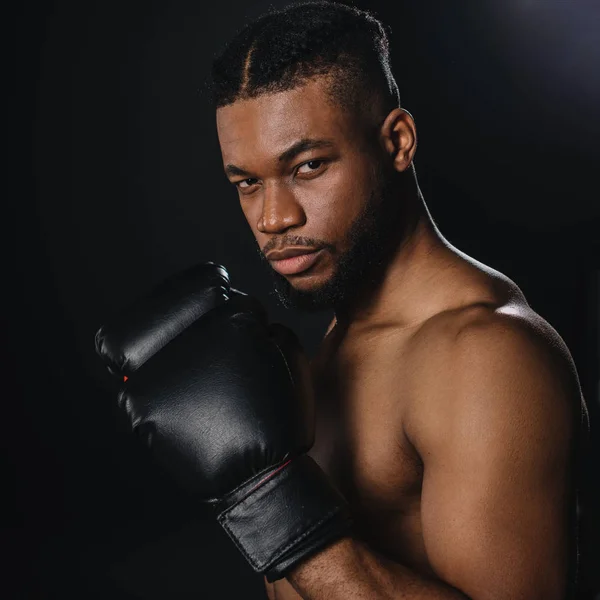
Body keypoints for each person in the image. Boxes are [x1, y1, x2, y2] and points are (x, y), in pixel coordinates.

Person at [96, 2, 589, 599]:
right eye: (247, 183)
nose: (274, 218)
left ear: (398, 142)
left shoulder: (484, 356)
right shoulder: (334, 346)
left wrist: (268, 502)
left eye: (307, 166)